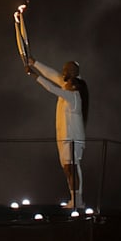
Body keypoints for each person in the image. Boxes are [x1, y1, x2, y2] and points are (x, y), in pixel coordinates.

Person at [26, 57, 89, 211]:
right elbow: (52, 75)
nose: (63, 73)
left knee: (72, 168)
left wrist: (34, 75)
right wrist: (34, 63)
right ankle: (74, 199)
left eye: (66, 70)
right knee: (68, 169)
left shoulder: (73, 94)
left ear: (73, 74)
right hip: (65, 137)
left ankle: (77, 201)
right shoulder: (68, 85)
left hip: (73, 138)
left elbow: (51, 88)